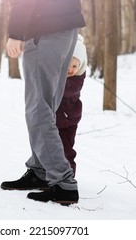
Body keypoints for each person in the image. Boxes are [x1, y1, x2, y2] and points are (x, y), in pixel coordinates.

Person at [1, 0, 86, 206]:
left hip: (44, 30)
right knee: (47, 104)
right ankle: (40, 171)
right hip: (66, 29)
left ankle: (63, 182)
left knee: (38, 110)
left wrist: (15, 32)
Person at [57, 34, 87, 177]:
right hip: (58, 118)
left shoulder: (77, 79)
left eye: (74, 66)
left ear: (80, 66)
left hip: (68, 119)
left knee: (66, 149)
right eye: (68, 64)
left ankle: (68, 176)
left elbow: (67, 89)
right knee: (53, 148)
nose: (70, 69)